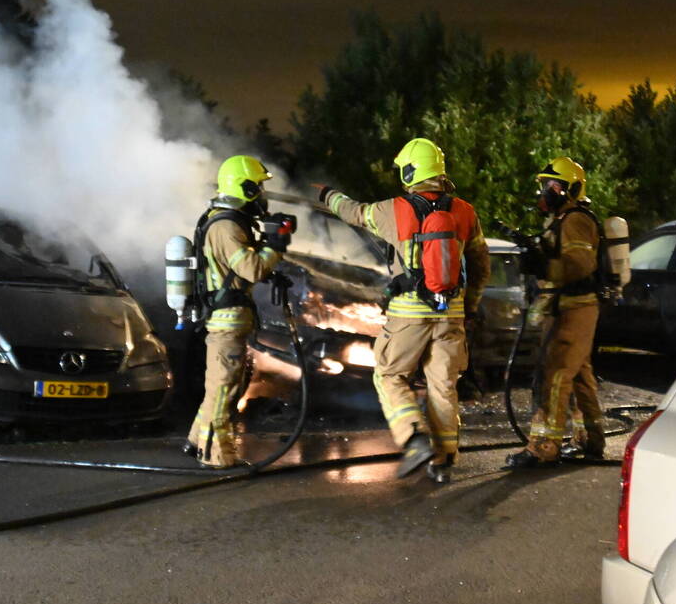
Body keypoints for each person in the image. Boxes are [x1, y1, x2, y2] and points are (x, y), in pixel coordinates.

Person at [316, 138, 490, 483]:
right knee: (443, 386)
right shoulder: (465, 212)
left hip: (409, 314)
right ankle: (443, 461)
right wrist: (468, 308)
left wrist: (327, 195)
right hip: (451, 313)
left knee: (389, 375)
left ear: (410, 170)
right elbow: (481, 265)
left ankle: (413, 438)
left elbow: (353, 212)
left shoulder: (392, 210)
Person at [182, 155, 290, 468]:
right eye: (258, 185)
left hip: (230, 317)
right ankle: (216, 455)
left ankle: (195, 442)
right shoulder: (226, 225)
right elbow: (251, 267)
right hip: (226, 320)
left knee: (223, 384)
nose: (262, 193)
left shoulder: (227, 221)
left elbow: (240, 269)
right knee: (223, 390)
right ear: (244, 187)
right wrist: (275, 246)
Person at [505, 156, 607, 468]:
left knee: (555, 375)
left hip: (574, 309)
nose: (546, 190)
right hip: (569, 308)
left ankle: (545, 446)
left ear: (571, 189)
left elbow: (578, 265)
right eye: (544, 185)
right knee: (580, 377)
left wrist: (542, 264)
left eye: (553, 185)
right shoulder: (562, 219)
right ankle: (590, 439)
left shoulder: (576, 219)